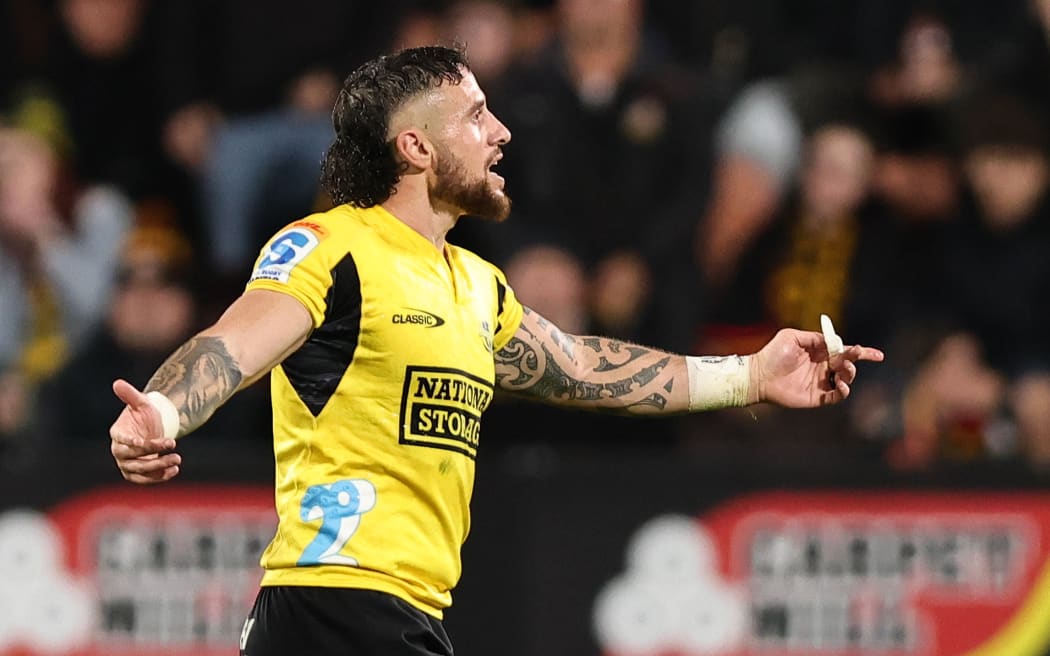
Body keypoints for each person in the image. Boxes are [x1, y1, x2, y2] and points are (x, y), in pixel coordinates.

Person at [107, 46, 883, 656]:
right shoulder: (329, 246)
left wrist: (748, 375)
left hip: (396, 612)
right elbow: (236, 342)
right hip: (335, 604)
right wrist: (167, 409)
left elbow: (582, 369)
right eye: (476, 116)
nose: (501, 132)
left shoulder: (478, 287)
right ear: (414, 146)